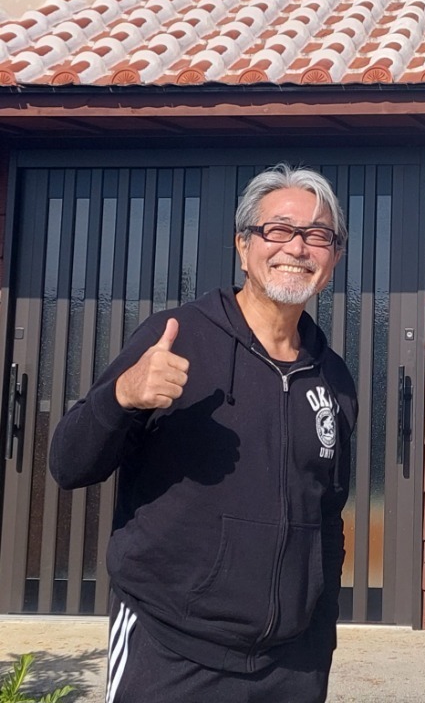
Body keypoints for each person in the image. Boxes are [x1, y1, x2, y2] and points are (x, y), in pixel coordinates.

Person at [50, 164, 357, 703]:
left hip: (291, 666)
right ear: (243, 246)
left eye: (317, 235)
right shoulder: (177, 339)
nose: (297, 247)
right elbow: (68, 464)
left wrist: (319, 645)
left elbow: (327, 520)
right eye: (279, 230)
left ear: (334, 256)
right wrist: (121, 395)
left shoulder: (332, 378)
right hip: (170, 652)